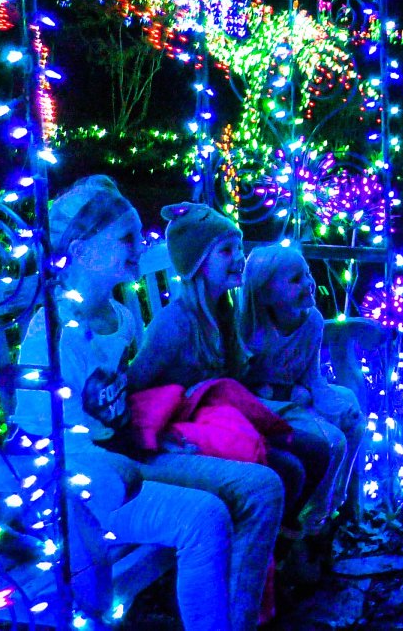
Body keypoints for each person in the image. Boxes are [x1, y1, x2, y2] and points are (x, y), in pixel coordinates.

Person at [11, 176, 284, 631]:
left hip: (129, 457)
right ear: (80, 250)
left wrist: (162, 433)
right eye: (125, 238)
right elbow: (43, 442)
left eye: (139, 235)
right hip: (80, 485)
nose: (139, 246)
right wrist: (118, 460)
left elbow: (132, 401)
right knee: (205, 517)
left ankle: (241, 618)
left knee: (263, 487)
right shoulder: (52, 334)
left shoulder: (119, 316)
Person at [127, 204, 333, 582]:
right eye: (226, 251)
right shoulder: (173, 324)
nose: (239, 258)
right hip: (181, 434)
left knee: (318, 449)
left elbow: (235, 377)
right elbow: (135, 388)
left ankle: (276, 552)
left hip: (219, 421)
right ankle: (253, 568)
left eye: (238, 248)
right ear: (197, 263)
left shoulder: (225, 311)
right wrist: (163, 437)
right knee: (287, 469)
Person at [238, 246, 364, 546]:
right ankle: (308, 525)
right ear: (266, 294)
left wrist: (330, 404)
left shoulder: (313, 322)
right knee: (333, 441)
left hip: (297, 398)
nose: (308, 282)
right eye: (296, 279)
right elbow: (241, 388)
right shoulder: (250, 332)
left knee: (355, 421)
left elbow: (312, 378)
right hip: (265, 409)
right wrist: (290, 393)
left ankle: (333, 505)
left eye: (307, 273)